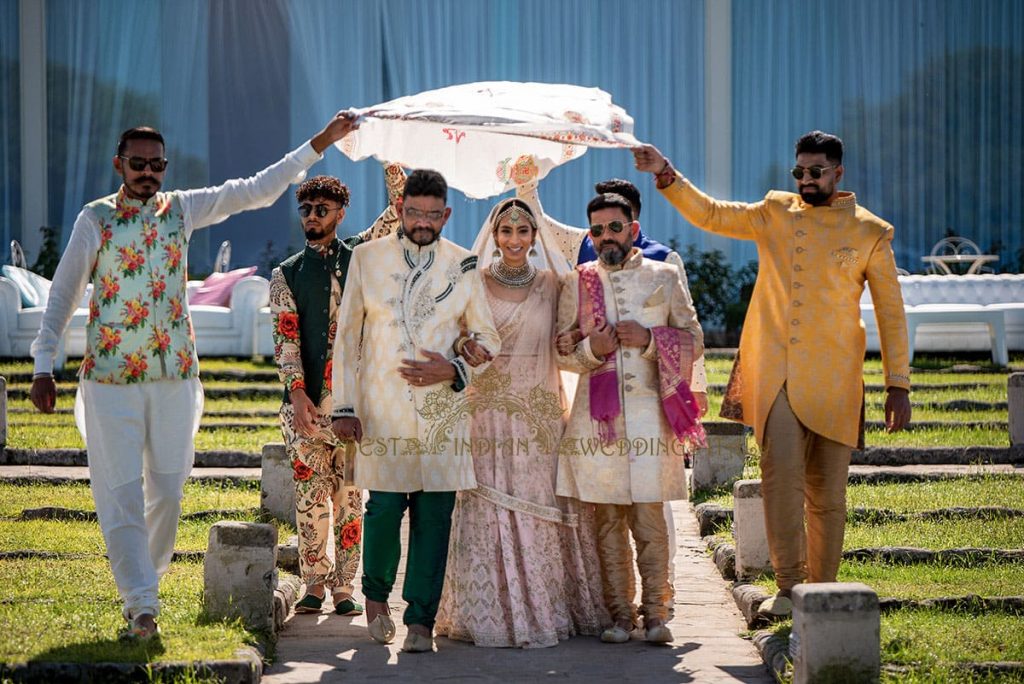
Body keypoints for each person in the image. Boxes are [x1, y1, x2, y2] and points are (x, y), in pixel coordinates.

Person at [28, 112, 359, 639]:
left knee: (168, 490)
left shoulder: (179, 209)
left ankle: (146, 581)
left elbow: (254, 190)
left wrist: (320, 143)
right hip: (110, 380)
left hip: (175, 377)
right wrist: (44, 363)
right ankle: (142, 604)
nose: (148, 173)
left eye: (157, 165)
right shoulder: (95, 219)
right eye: (138, 164)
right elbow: (63, 294)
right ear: (119, 164)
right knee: (118, 491)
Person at [634, 131, 912, 618]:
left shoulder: (871, 232)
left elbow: (891, 315)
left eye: (816, 172)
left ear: (838, 173)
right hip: (777, 372)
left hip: (835, 378)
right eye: (799, 172)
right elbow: (713, 214)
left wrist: (898, 384)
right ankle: (788, 588)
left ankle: (822, 592)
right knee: (779, 478)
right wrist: (666, 174)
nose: (805, 180)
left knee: (827, 493)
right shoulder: (775, 212)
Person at [331, 169, 501, 653]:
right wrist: (344, 406)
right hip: (382, 410)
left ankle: (421, 621)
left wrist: (453, 368)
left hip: (444, 416)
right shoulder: (366, 258)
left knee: (435, 516)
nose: (423, 222)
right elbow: (346, 339)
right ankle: (376, 597)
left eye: (433, 215)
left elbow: (488, 337)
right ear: (400, 209)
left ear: (446, 214)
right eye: (414, 213)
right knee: (383, 508)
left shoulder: (464, 264)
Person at [434, 198, 607, 648]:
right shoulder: (473, 281)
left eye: (522, 232)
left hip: (538, 411)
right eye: (506, 232)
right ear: (494, 236)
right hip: (485, 410)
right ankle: (485, 615)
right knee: (484, 505)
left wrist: (589, 347)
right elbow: (454, 337)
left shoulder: (555, 284)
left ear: (535, 236)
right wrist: (463, 348)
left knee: (540, 500)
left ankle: (546, 610)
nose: (514, 240)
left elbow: (567, 349)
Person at [554, 192, 705, 644]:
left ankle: (656, 614)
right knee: (608, 523)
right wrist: (591, 350)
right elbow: (562, 354)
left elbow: (694, 338)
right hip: (597, 423)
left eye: (614, 228)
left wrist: (650, 340)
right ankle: (620, 616)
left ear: (633, 230)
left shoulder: (663, 275)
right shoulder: (578, 282)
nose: (605, 238)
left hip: (650, 420)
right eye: (596, 230)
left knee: (650, 520)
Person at [269, 167, 404, 618]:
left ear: (340, 213)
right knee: (310, 501)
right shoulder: (285, 274)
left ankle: (345, 587)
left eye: (321, 209)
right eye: (305, 209)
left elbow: (399, 212)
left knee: (350, 499)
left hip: (353, 406)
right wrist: (298, 395)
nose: (311, 216)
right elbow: (285, 341)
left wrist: (388, 161)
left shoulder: (361, 257)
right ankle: (312, 584)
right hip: (306, 409)